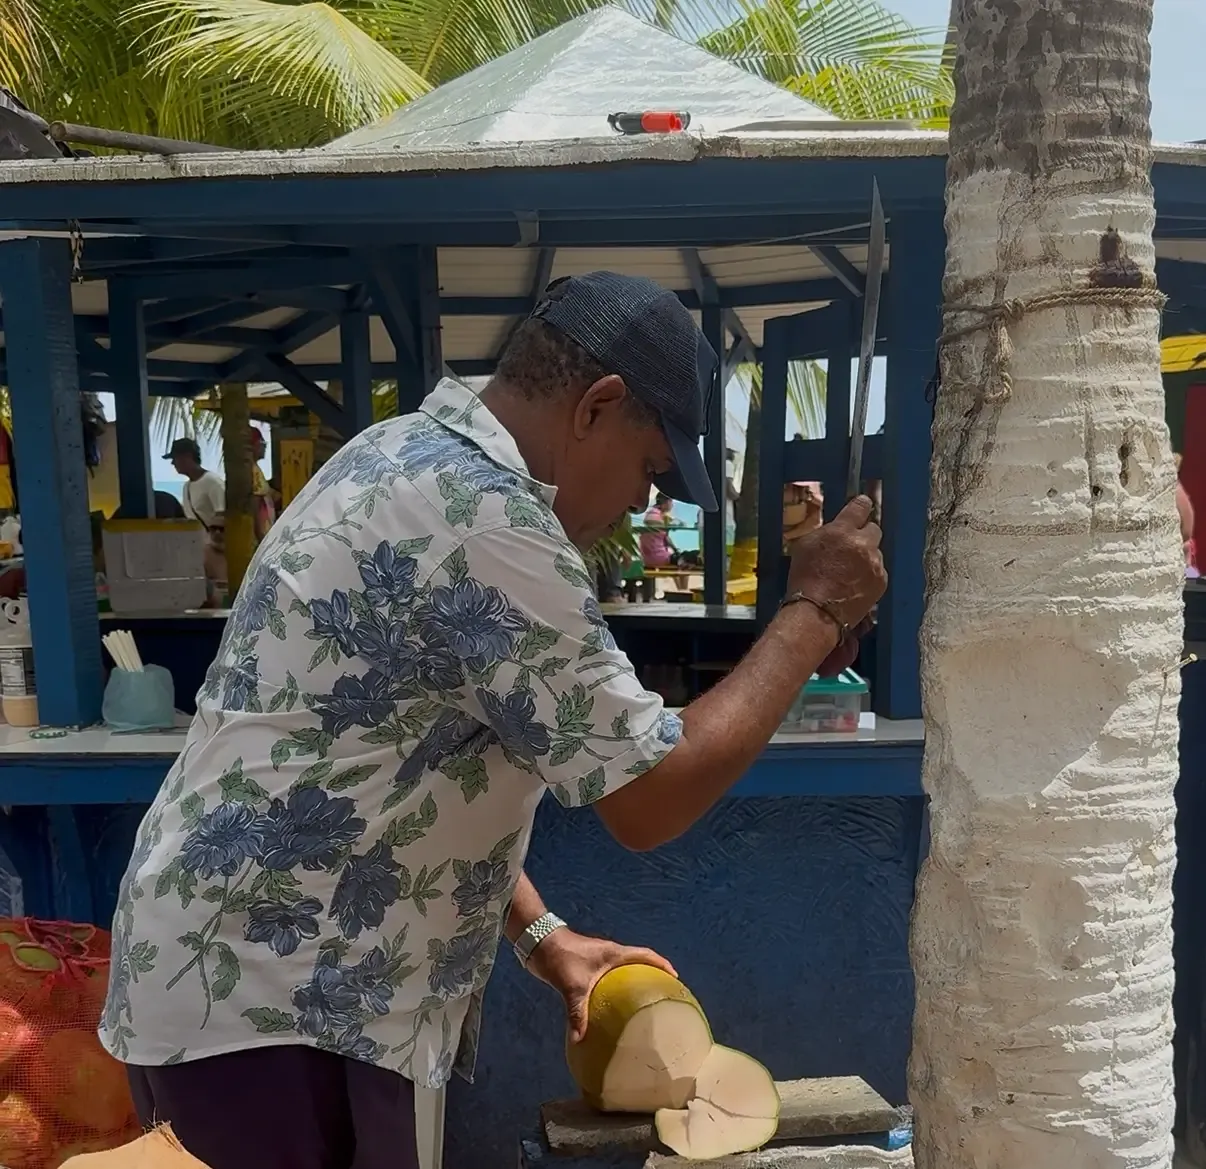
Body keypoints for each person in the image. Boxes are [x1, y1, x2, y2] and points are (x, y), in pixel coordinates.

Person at [101, 272, 885, 1169]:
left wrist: (541, 934)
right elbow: (649, 798)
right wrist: (813, 610)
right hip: (281, 1005)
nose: (643, 503)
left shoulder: (398, 454)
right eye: (650, 468)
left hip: (255, 984)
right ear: (598, 404)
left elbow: (406, 758)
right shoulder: (488, 522)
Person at [165, 437, 225, 530]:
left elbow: (222, 515)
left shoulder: (213, 482)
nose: (173, 463)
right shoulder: (186, 487)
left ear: (188, 456)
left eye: (175, 458)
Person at [249, 425, 276, 542]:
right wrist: (259, 535)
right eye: (261, 442)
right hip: (262, 533)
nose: (264, 446)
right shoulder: (252, 471)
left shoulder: (255, 468)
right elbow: (255, 503)